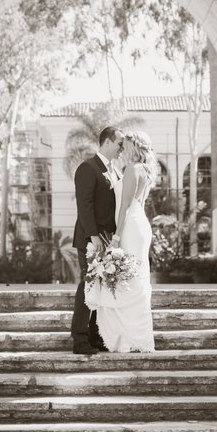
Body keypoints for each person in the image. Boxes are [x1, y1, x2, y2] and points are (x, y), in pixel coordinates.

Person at [86, 130, 156, 353]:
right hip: (141, 225)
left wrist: (116, 238)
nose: (121, 149)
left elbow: (124, 207)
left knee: (128, 279)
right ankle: (138, 337)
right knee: (137, 279)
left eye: (125, 146)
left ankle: (125, 338)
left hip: (130, 227)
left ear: (133, 148)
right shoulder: (145, 169)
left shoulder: (132, 170)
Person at [70, 125, 124, 355]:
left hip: (108, 239)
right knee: (88, 286)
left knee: (100, 289)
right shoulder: (88, 168)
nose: (122, 148)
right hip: (91, 238)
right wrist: (94, 236)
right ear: (108, 142)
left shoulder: (115, 170)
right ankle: (79, 338)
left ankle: (94, 335)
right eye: (120, 143)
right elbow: (84, 205)